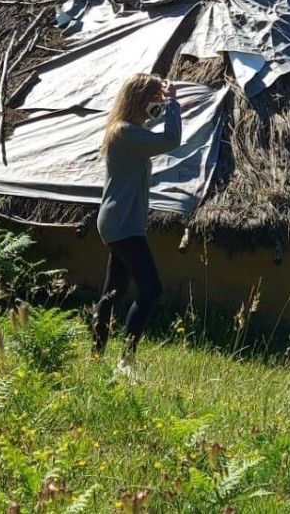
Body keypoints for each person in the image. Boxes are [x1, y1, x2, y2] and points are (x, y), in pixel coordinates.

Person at [94, 73, 182, 369]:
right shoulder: (125, 133)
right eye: (152, 101)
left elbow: (155, 131)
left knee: (113, 292)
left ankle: (97, 356)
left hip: (118, 220)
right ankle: (126, 360)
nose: (155, 106)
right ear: (140, 100)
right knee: (151, 289)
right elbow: (171, 139)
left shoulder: (124, 130)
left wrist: (168, 106)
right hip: (123, 223)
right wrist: (172, 104)